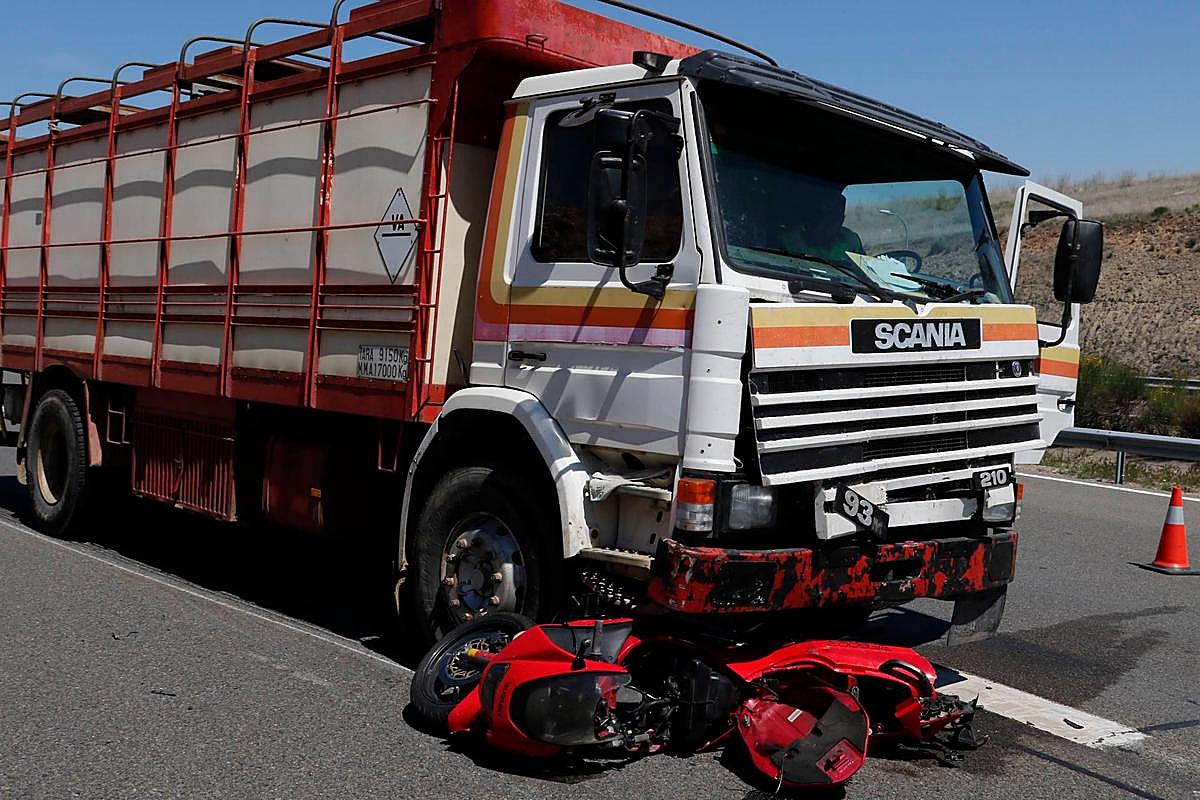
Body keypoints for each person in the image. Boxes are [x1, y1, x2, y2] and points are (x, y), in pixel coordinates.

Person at [780, 185, 864, 265]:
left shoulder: (851, 241)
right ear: (810, 218)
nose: (825, 224)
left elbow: (864, 271)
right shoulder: (790, 241)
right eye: (820, 217)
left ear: (841, 220)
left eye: (833, 219)